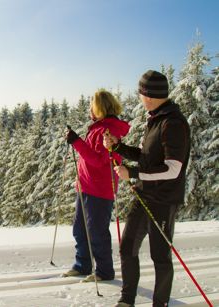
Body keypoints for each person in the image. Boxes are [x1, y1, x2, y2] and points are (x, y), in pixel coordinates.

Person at [103, 70, 191, 307]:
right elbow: (146, 157)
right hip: (143, 195)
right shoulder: (155, 118)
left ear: (149, 95)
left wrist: (131, 173)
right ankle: (127, 300)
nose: (140, 96)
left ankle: (159, 304)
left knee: (160, 256)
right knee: (127, 247)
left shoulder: (172, 123)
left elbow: (173, 168)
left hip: (163, 200)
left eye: (141, 92)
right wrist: (119, 147)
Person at [63, 89, 130, 282]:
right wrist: (76, 141)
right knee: (80, 229)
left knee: (96, 232)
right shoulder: (97, 127)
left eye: (92, 105)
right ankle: (83, 264)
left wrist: (76, 142)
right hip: (85, 186)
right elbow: (90, 156)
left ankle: (104, 271)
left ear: (100, 107)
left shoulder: (110, 130)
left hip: (100, 189)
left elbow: (98, 161)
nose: (89, 109)